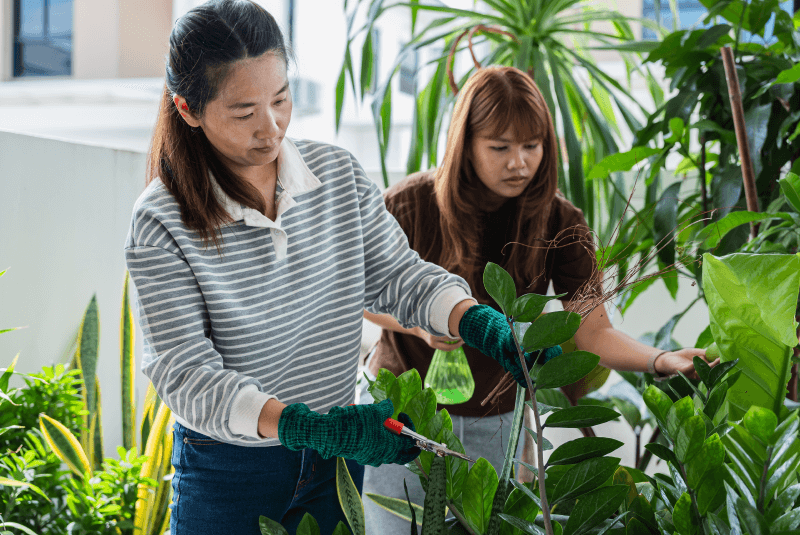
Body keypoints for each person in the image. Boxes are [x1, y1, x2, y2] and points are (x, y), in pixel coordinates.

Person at [124, 2, 556, 534]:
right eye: (243, 112)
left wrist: (476, 321)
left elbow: (399, 276)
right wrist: (304, 428)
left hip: (335, 462)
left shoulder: (337, 175)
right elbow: (184, 373)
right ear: (188, 109)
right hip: (230, 471)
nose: (270, 127)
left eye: (281, 99)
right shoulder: (161, 219)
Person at [359, 65, 720, 534]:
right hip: (401, 412)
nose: (519, 163)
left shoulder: (560, 221)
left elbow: (593, 331)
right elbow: (360, 295)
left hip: (496, 417)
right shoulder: (409, 204)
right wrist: (420, 325)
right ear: (466, 144)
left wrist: (662, 360)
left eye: (532, 146)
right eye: (500, 147)